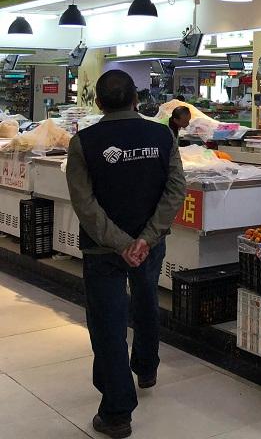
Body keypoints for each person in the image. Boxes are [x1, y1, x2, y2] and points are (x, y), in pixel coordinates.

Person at [66, 70, 186, 438]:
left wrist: (120, 243)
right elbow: (176, 190)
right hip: (149, 245)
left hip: (102, 249)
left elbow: (84, 204)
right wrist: (145, 239)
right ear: (136, 99)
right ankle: (146, 368)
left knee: (108, 323)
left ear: (98, 102)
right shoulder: (162, 136)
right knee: (146, 300)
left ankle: (117, 413)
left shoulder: (84, 142)